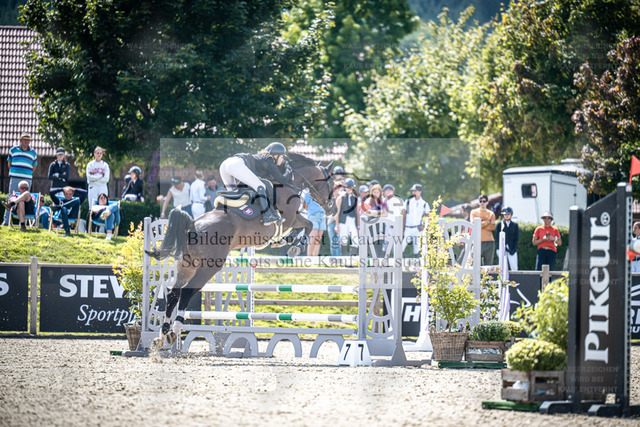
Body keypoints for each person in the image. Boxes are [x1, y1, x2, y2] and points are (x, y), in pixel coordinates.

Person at [218, 142, 292, 225]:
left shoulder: (262, 158)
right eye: (282, 157)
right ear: (276, 155)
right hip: (236, 164)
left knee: (234, 193)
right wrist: (288, 170)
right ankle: (267, 215)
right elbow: (282, 180)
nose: (282, 160)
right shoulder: (269, 160)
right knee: (261, 186)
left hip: (225, 164)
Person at [3, 133, 37, 226]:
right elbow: (9, 164)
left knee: (26, 198)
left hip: (27, 179)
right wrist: (15, 172)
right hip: (15, 177)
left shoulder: (33, 153)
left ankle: (23, 221)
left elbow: (34, 167)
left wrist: (27, 174)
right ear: (21, 140)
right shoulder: (13, 150)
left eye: (28, 140)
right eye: (24, 139)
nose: (26, 141)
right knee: (11, 196)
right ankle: (6, 221)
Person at [402, 184, 429, 257]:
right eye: (413, 191)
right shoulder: (407, 202)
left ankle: (416, 263)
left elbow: (429, 217)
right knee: (401, 247)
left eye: (415, 191)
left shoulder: (424, 204)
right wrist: (402, 229)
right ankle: (402, 262)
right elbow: (404, 216)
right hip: (408, 228)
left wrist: (424, 226)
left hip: (417, 229)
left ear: (420, 191)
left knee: (416, 249)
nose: (413, 193)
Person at [334, 178, 359, 256]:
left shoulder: (355, 198)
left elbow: (357, 213)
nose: (349, 189)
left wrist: (358, 225)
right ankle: (344, 258)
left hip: (352, 220)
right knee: (343, 240)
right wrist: (337, 225)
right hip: (343, 220)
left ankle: (352, 258)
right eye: (347, 187)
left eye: (350, 187)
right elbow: (337, 212)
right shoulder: (341, 197)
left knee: (355, 240)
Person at [470, 194, 496, 265]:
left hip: (489, 242)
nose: (482, 203)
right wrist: (486, 222)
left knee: (488, 265)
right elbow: (474, 225)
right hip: (477, 241)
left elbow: (493, 227)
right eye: (480, 201)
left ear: (487, 202)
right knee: (475, 264)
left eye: (484, 201)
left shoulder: (491, 213)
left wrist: (480, 224)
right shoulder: (473, 212)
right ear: (478, 202)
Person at [303, 189, 326, 256]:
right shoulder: (309, 193)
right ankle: (309, 256)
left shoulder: (323, 191)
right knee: (313, 236)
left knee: (318, 238)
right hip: (313, 215)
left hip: (322, 215)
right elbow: (305, 205)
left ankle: (315, 257)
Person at [495, 206, 519, 271]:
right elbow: (497, 237)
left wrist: (514, 249)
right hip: (501, 248)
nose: (507, 216)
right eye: (505, 214)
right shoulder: (499, 224)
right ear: (503, 215)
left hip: (511, 248)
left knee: (514, 267)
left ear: (511, 215)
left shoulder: (515, 225)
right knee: (502, 267)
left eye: (508, 214)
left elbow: (516, 238)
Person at [326, 179, 344, 257]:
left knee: (339, 241)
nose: (336, 190)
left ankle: (339, 258)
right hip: (331, 222)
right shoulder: (329, 198)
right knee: (333, 242)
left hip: (340, 222)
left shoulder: (342, 198)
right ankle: (334, 258)